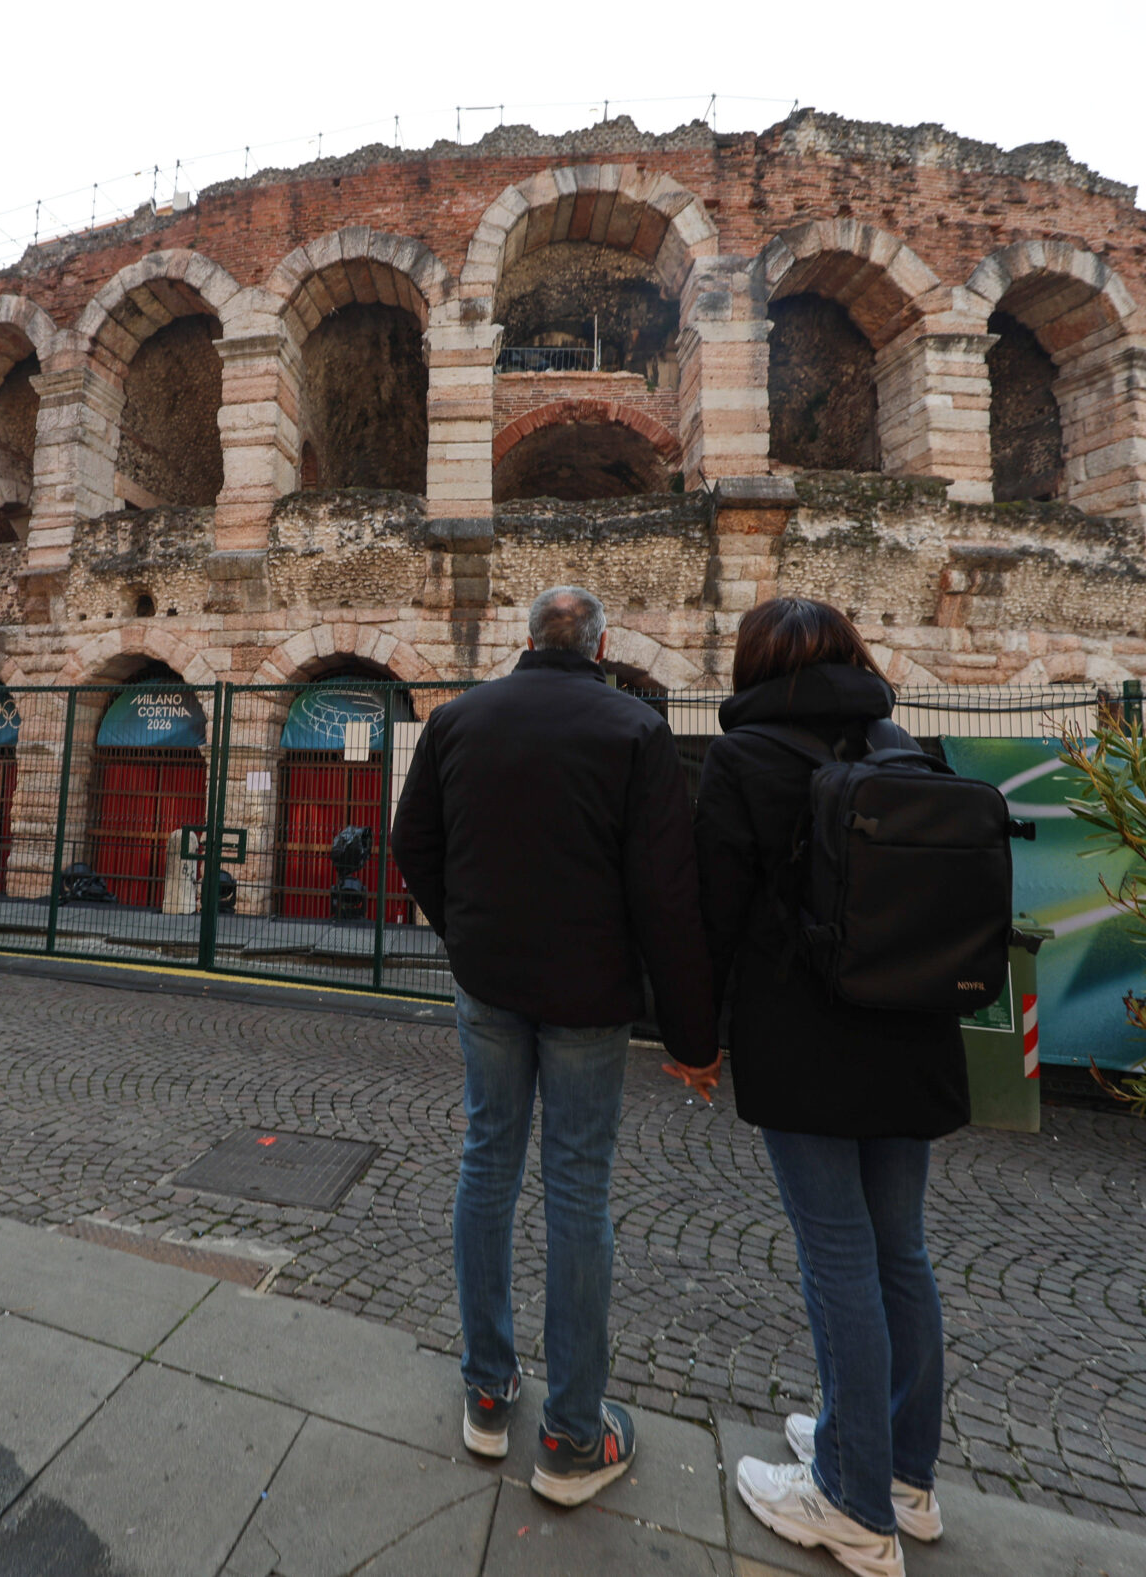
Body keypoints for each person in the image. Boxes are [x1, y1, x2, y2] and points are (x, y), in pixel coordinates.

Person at [392, 584, 720, 1507]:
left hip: (489, 980)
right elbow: (665, 890)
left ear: (525, 640)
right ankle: (575, 1432)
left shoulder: (460, 717)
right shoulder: (632, 729)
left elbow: (409, 839)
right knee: (579, 1185)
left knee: (485, 1162)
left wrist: (464, 929)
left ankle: (488, 1391)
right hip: (588, 991)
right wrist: (695, 1035)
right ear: (603, 642)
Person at [692, 597, 968, 1577]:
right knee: (902, 1256)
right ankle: (900, 1474)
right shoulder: (905, 745)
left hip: (807, 1048)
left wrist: (692, 1041)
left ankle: (851, 1507)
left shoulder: (744, 759)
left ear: (755, 664)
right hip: (915, 1035)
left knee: (837, 1259)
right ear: (852, 656)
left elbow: (711, 919)